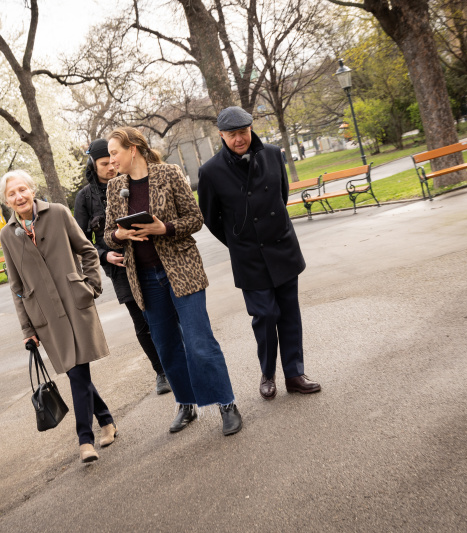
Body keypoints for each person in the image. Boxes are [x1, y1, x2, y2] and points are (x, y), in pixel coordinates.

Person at [103, 126, 243, 437]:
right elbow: (108, 236)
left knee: (199, 342)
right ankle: (186, 403)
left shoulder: (169, 173)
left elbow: (195, 219)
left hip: (181, 270)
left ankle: (226, 403)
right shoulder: (114, 187)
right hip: (145, 279)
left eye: (114, 153)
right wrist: (120, 235)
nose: (111, 161)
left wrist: (162, 228)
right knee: (166, 346)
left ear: (133, 149)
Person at [197, 106, 321, 401]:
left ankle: (295, 374)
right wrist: (239, 241)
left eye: (243, 132)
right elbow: (211, 218)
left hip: (282, 247)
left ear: (250, 129)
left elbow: (282, 195)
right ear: (221, 135)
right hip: (249, 257)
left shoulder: (274, 154)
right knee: (264, 315)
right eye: (232, 134)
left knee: (289, 313)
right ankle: (268, 373)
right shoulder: (210, 171)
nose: (239, 139)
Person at [0, 169, 116, 463]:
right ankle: (106, 419)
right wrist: (27, 329)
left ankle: (84, 439)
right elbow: (16, 286)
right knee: (77, 372)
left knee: (78, 372)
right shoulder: (7, 234)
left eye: (22, 189)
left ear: (32, 189)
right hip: (46, 316)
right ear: (6, 201)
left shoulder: (58, 213)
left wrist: (90, 286)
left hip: (76, 303)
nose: (19, 196)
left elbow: (88, 251)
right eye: (12, 193)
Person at [74, 138, 171, 396]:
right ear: (93, 165)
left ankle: (177, 363)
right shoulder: (84, 198)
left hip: (149, 257)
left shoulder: (131, 181)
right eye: (103, 164)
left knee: (167, 315)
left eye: (112, 161)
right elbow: (80, 241)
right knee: (142, 321)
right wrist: (104, 256)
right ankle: (161, 371)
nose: (110, 167)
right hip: (119, 267)